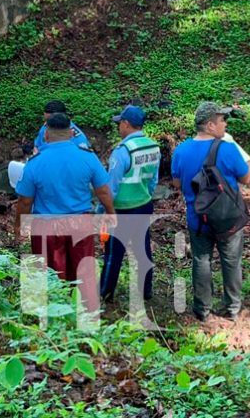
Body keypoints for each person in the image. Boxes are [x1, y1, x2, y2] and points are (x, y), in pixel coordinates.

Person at [15, 113, 116, 312]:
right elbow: (103, 190)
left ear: (46, 136)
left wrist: (20, 224)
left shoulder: (35, 163)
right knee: (84, 270)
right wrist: (110, 212)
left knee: (50, 273)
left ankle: (55, 316)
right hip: (80, 223)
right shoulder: (87, 157)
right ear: (71, 133)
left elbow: (25, 201)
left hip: (46, 226)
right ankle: (88, 313)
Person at [171, 101, 250, 322]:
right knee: (231, 260)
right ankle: (233, 308)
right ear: (209, 125)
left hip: (197, 219)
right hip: (228, 219)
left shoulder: (180, 150)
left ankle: (202, 310)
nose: (225, 124)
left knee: (201, 260)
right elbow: (246, 177)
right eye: (222, 120)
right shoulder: (227, 148)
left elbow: (177, 184)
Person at [99, 105, 161, 303]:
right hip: (144, 205)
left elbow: (112, 186)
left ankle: (105, 293)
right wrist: (146, 196)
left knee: (112, 254)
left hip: (121, 209)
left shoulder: (122, 151)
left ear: (126, 124)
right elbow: (153, 180)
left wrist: (103, 210)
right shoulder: (153, 146)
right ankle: (146, 290)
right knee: (143, 250)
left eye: (120, 123)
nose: (119, 127)